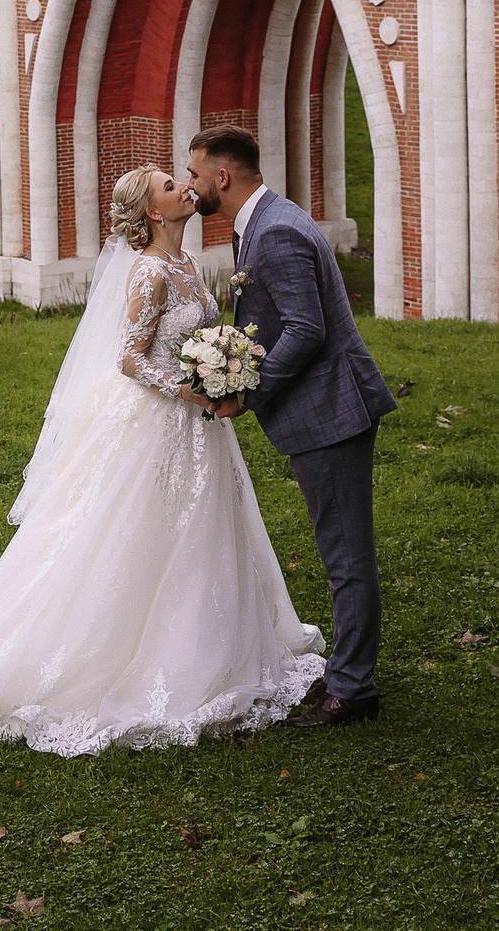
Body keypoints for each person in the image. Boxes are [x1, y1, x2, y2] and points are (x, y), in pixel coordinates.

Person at [0, 163, 327, 756]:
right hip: (157, 420)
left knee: (202, 531)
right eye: (169, 185)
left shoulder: (189, 265)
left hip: (200, 426)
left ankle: (211, 650)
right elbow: (131, 358)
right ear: (154, 213)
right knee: (132, 531)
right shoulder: (149, 272)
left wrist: (224, 366)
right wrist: (191, 388)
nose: (182, 187)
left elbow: (195, 342)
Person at [185, 125, 399, 726]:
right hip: (326, 409)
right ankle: (345, 675)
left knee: (346, 555)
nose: (193, 184)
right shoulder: (267, 219)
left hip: (331, 412)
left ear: (222, 177)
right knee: (341, 549)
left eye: (197, 173)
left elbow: (306, 329)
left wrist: (245, 391)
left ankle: (353, 688)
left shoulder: (274, 232)